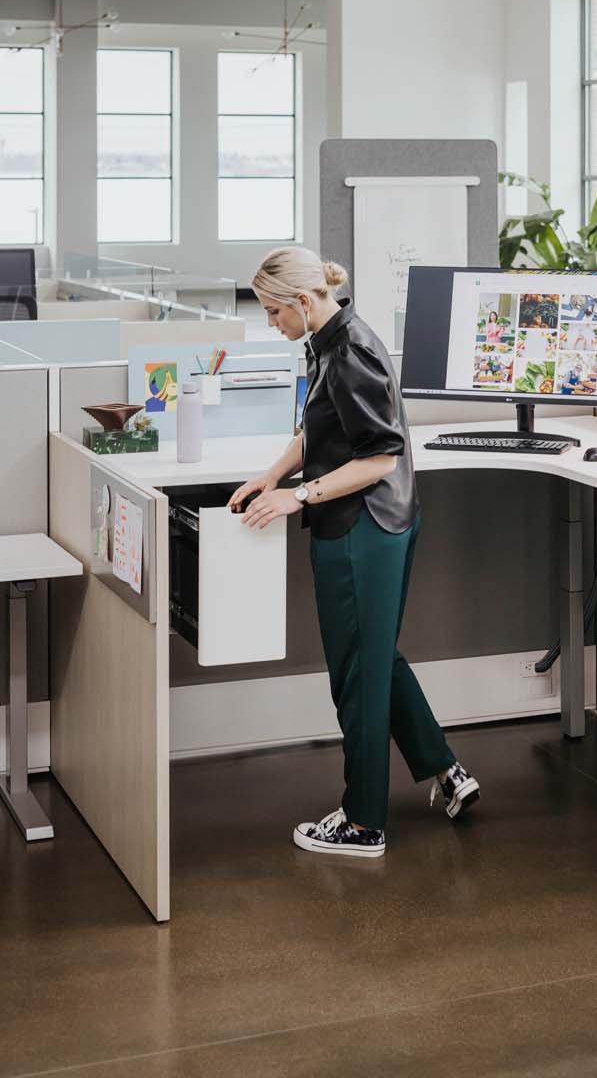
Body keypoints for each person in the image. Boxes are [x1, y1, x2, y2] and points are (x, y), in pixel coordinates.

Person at [228, 247, 479, 859]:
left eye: (272, 312)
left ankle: (363, 822)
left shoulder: (350, 351)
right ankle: (445, 770)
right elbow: (319, 429)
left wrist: (298, 497)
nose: (270, 324)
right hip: (371, 522)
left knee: (358, 676)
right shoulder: (330, 341)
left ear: (305, 301)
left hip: (363, 527)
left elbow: (379, 456)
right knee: (375, 659)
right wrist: (270, 476)